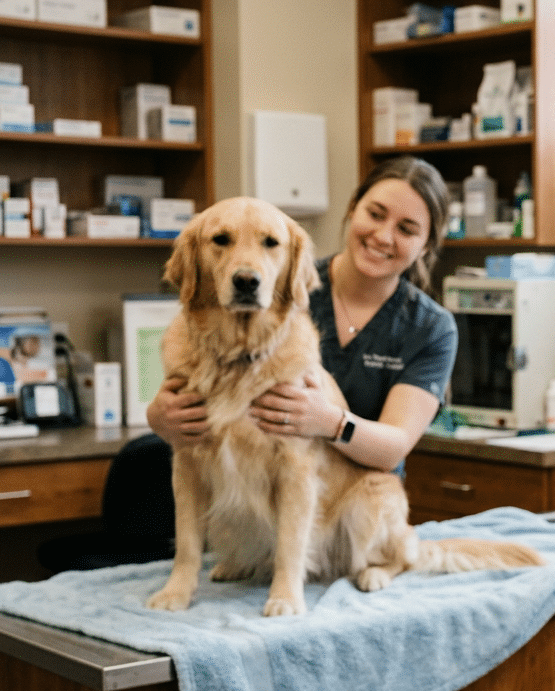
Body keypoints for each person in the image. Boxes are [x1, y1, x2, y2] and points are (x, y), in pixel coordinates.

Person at [39, 156, 457, 573]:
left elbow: (395, 446)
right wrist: (159, 417)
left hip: (353, 504)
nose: (383, 235)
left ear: (428, 244)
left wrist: (327, 420)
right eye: (375, 213)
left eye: (407, 228)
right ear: (353, 211)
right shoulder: (279, 271)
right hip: (251, 519)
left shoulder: (430, 328)